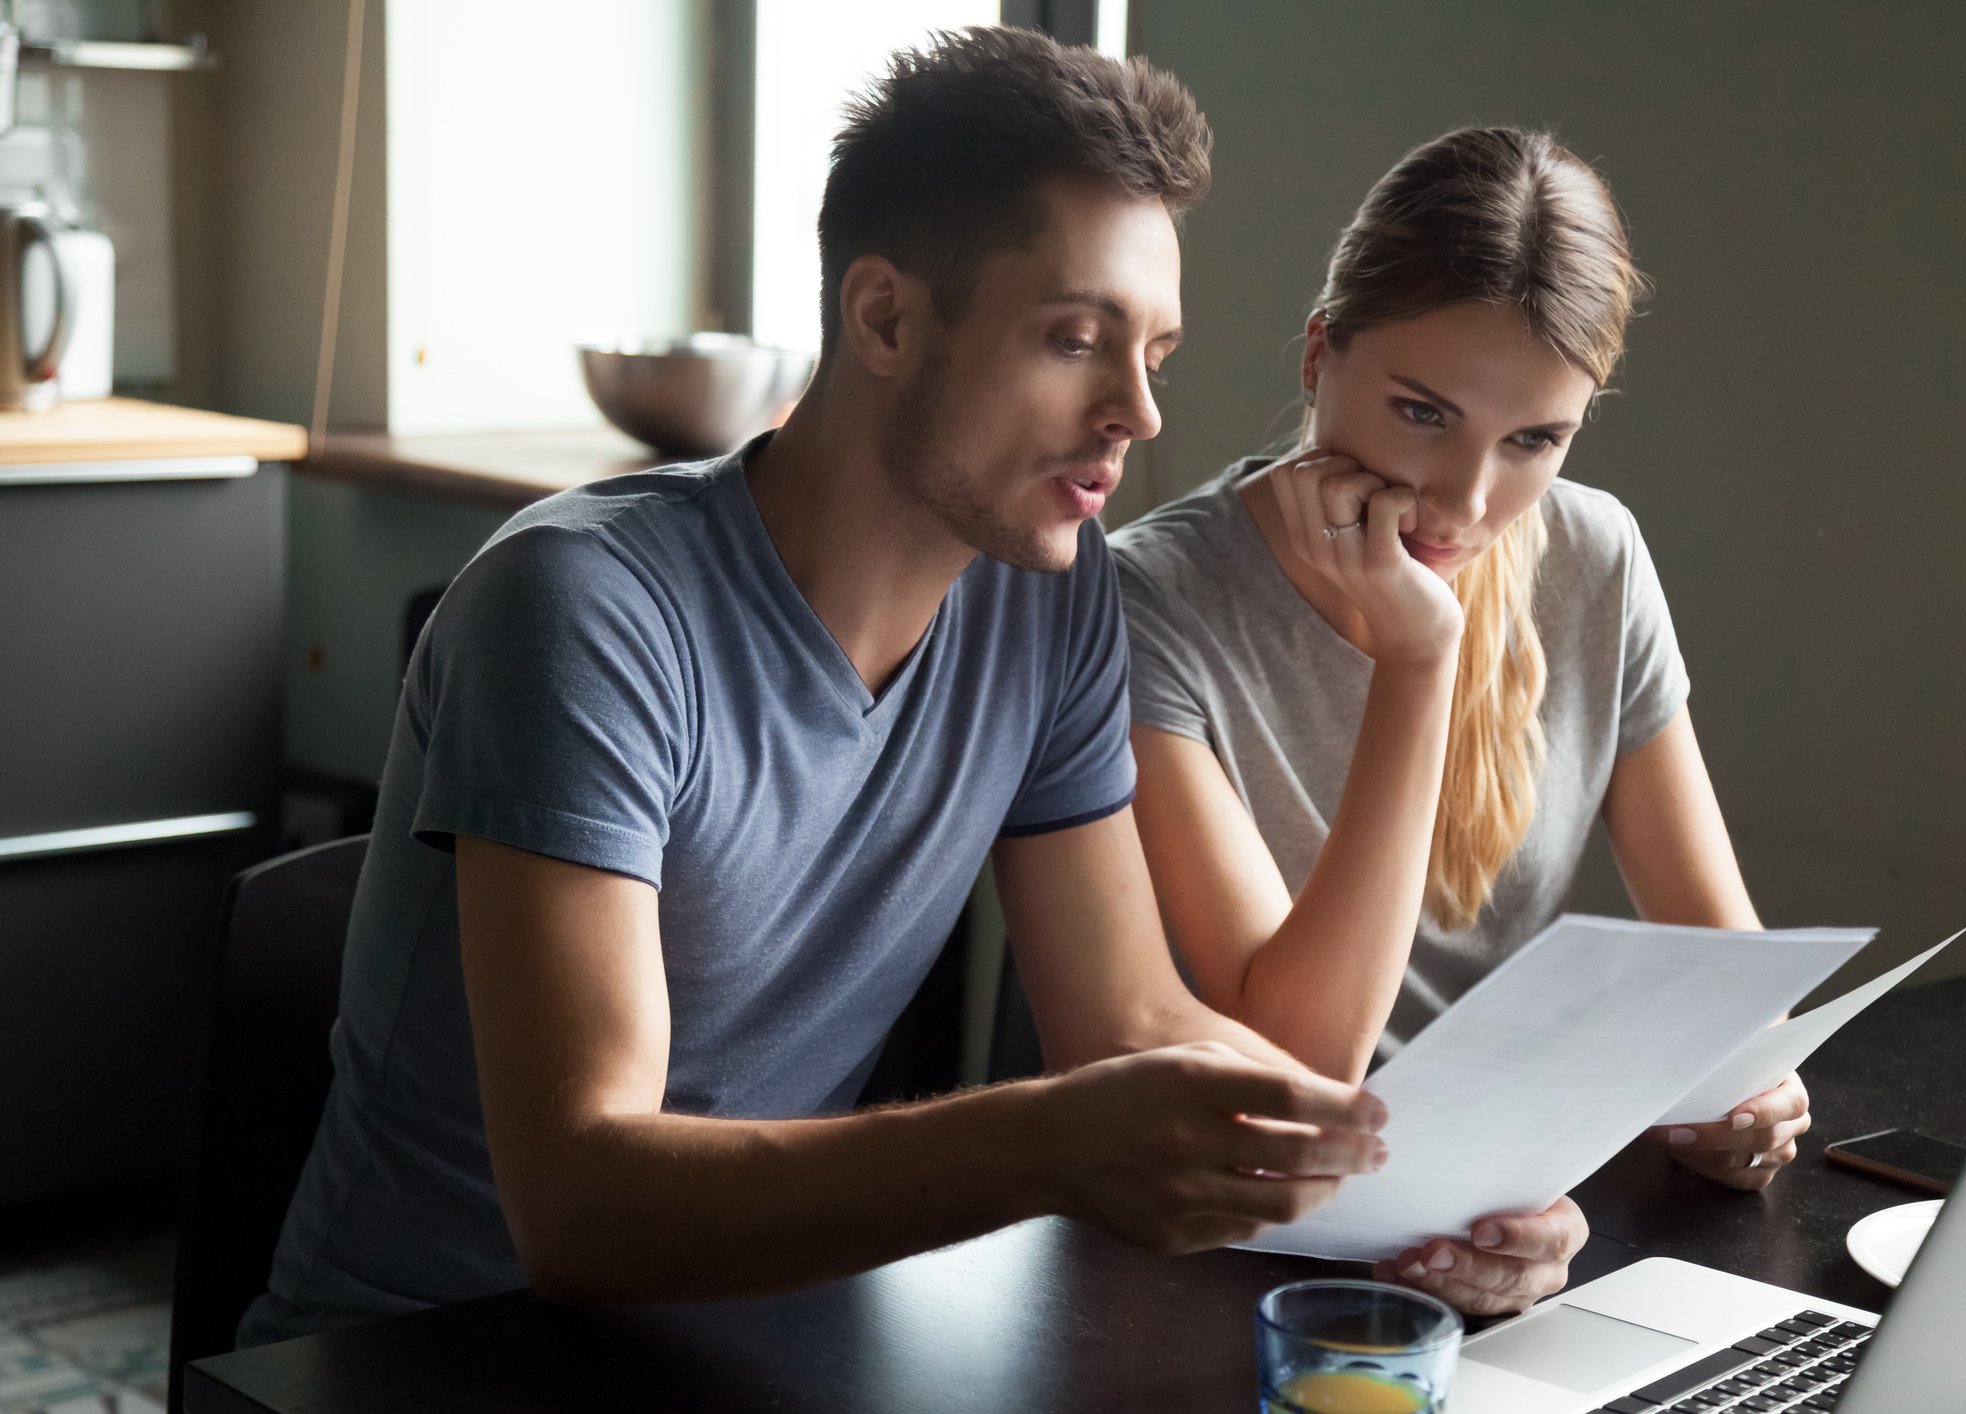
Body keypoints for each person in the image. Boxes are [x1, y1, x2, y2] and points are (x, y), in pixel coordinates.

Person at [236, 28, 1392, 1346]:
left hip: (747, 1336)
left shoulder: (1054, 595)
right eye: (1077, 338)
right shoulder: (582, 607)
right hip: (423, 1353)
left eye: (1156, 355)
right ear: (885, 316)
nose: (1138, 410)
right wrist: (1041, 1142)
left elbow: (1129, 1017)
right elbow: (576, 1202)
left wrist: (1414, 1188)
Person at [1110, 127, 1809, 1317]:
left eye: (1535, 439)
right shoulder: (1147, 599)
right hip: (1209, 1245)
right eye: (1423, 412)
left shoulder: (1594, 557)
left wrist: (1747, 1099)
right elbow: (1302, 1058)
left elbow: (1727, 977)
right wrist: (1421, 657)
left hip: (1480, 1208)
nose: (1469, 501)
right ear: (1321, 351)